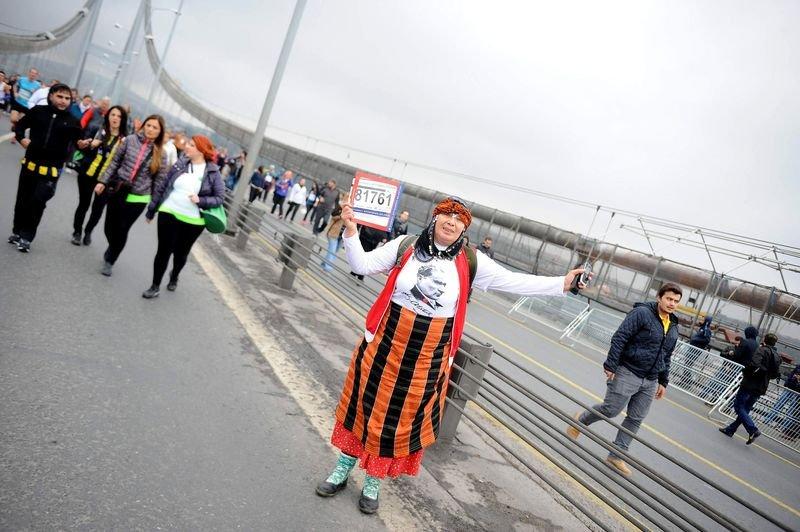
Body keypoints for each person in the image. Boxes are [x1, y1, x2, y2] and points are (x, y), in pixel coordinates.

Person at [314, 197, 588, 514]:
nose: (452, 222)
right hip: (385, 343)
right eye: (447, 215)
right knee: (364, 405)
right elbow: (361, 265)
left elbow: (514, 281)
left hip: (427, 358)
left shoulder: (473, 262)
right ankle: (342, 470)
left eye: (459, 220)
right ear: (435, 219)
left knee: (396, 421)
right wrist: (350, 230)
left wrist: (562, 283)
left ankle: (374, 482)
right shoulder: (406, 245)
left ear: (463, 229)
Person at [566, 283, 683, 477]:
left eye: (676, 301)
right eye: (669, 299)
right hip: (628, 370)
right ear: (659, 297)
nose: (672, 304)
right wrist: (611, 365)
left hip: (651, 379)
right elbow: (621, 337)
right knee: (611, 410)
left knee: (636, 418)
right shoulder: (642, 314)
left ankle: (616, 455)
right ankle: (580, 421)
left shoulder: (673, 325)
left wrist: (663, 381)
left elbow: (666, 355)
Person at [141, 135, 224, 298]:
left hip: (194, 220)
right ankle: (155, 285)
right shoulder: (180, 164)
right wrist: (152, 210)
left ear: (201, 150)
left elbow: (220, 198)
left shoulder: (213, 172)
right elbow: (163, 186)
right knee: (163, 251)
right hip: (169, 211)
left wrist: (201, 200)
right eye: (187, 144)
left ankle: (175, 275)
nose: (186, 147)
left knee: (181, 253)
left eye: (191, 145)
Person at [8, 83, 86, 252]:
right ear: (51, 96)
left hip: (50, 171)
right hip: (29, 165)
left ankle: (27, 237)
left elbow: (79, 142)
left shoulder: (72, 121)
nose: (63, 101)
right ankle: (17, 231)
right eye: (60, 96)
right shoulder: (38, 112)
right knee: (22, 201)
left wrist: (83, 144)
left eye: (67, 98)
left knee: (38, 202)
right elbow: (20, 127)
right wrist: (22, 139)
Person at [94, 114, 168, 276]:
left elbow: (160, 182)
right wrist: (102, 181)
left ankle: (110, 259)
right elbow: (114, 162)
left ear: (160, 132)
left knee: (122, 228)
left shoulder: (162, 154)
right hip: (118, 189)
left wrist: (153, 207)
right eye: (148, 125)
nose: (150, 129)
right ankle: (113, 247)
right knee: (109, 226)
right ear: (143, 125)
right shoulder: (129, 140)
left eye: (155, 127)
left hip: (139, 197)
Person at [71, 105, 128, 246]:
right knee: (83, 204)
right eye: (113, 114)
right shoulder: (96, 129)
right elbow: (81, 146)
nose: (115, 118)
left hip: (107, 180)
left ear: (123, 120)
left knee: (98, 209)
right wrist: (89, 144)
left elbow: (123, 162)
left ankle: (88, 231)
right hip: (87, 173)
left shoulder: (125, 140)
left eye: (119, 116)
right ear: (108, 116)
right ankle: (77, 232)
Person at [718, 333, 782, 444]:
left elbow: (754, 364)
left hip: (751, 383)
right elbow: (775, 374)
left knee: (738, 406)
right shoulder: (777, 356)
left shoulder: (762, 350)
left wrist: (747, 372)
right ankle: (730, 429)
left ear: (764, 340)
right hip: (762, 386)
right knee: (746, 408)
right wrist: (765, 375)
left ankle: (753, 429)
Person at [763, 363, 800, 435]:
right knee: (779, 404)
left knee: (791, 411)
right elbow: (791, 374)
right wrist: (788, 383)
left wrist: (798, 380)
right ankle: (767, 420)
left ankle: (783, 427)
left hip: (797, 392)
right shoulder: (798, 366)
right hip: (790, 387)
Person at [321, 204, 344, 273]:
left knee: (334, 251)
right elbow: (333, 215)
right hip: (333, 233)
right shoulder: (340, 207)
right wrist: (341, 215)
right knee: (332, 251)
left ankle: (324, 263)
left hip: (342, 237)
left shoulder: (355, 213)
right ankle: (328, 268)